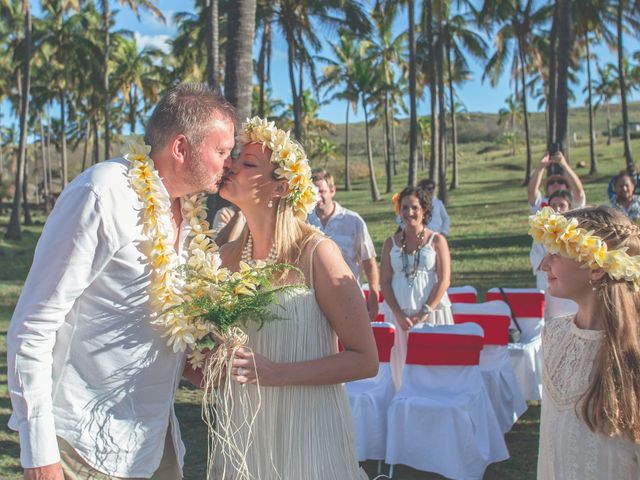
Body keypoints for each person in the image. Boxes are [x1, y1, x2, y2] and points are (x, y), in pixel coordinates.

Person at [7, 83, 236, 480]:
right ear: (181, 148)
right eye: (221, 151)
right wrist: (39, 454)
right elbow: (31, 329)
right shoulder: (101, 194)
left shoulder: (191, 213)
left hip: (154, 436)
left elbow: (145, 314)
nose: (228, 163)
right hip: (83, 440)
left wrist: (191, 364)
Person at [212, 117, 377, 479]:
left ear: (280, 188)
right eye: (235, 157)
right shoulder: (224, 259)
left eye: (247, 163)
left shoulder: (318, 254)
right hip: (247, 429)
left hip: (309, 429)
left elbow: (366, 360)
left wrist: (279, 373)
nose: (231, 165)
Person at [531, 206, 640, 479]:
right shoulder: (554, 334)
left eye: (556, 253)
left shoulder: (633, 351)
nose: (543, 264)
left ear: (595, 269)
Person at [381, 186, 454, 388]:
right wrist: (398, 314)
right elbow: (384, 282)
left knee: (433, 368)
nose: (409, 213)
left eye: (414, 207)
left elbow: (444, 280)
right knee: (401, 369)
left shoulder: (437, 240)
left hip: (431, 314)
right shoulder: (390, 243)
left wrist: (424, 312)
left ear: (424, 210)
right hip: (399, 318)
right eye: (405, 208)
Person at [308, 169, 381, 321]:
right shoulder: (304, 221)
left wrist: (374, 292)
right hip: (313, 302)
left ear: (332, 191)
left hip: (349, 298)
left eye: (322, 191)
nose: (318, 197)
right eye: (313, 191)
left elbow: (368, 261)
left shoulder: (353, 221)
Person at [529, 190, 578, 319]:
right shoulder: (540, 233)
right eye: (553, 205)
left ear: (570, 208)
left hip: (570, 288)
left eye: (561, 205)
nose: (557, 209)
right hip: (547, 286)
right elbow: (537, 262)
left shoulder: (577, 233)